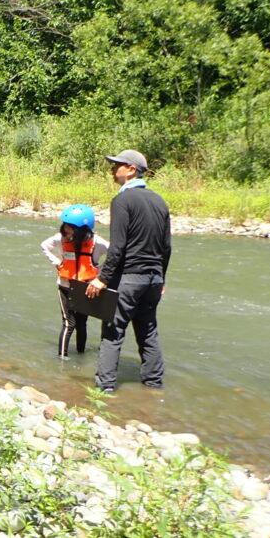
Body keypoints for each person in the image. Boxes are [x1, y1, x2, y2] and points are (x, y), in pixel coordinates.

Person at [86, 150, 172, 393]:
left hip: (129, 279)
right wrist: (161, 278)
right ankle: (154, 387)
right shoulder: (159, 201)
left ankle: (104, 391)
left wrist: (102, 279)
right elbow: (166, 247)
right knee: (148, 331)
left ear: (132, 169)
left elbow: (118, 247)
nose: (113, 170)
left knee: (113, 332)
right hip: (153, 279)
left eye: (117, 166)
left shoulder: (122, 201)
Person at [40, 204, 109, 359]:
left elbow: (115, 254)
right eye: (65, 226)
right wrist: (57, 262)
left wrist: (100, 271)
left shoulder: (97, 242)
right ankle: (62, 360)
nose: (66, 230)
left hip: (85, 287)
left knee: (81, 324)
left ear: (83, 229)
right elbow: (44, 246)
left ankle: (80, 354)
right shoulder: (61, 238)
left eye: (70, 227)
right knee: (68, 323)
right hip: (65, 285)